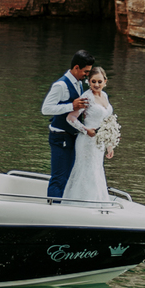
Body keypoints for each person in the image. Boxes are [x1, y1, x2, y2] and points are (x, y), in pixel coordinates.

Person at [41, 50, 94, 198]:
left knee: (69, 176)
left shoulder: (78, 82)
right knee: (59, 178)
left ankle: (62, 206)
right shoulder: (61, 85)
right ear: (76, 67)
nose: (87, 75)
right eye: (86, 71)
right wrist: (71, 106)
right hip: (60, 137)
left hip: (71, 136)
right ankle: (53, 209)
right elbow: (45, 109)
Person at [62, 66, 115, 204]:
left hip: (100, 142)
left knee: (97, 170)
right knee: (87, 171)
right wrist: (86, 130)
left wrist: (110, 145)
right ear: (89, 82)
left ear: (105, 81)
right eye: (93, 81)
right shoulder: (86, 97)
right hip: (87, 141)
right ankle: (82, 204)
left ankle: (98, 202)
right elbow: (71, 118)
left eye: (99, 81)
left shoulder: (105, 96)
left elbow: (107, 122)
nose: (96, 85)